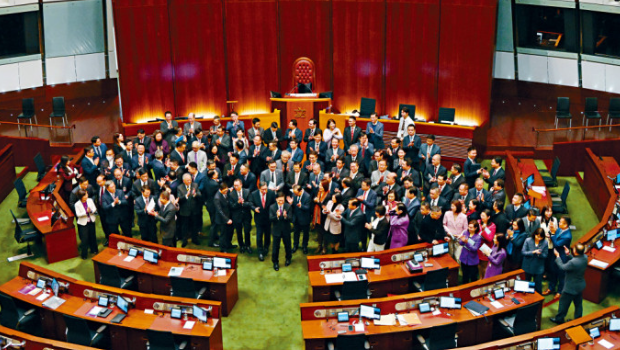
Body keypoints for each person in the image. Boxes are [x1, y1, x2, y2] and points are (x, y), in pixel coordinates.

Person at [549, 243, 587, 324]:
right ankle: (578, 320)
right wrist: (568, 254)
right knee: (578, 304)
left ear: (575, 251)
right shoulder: (585, 257)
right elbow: (576, 261)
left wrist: (558, 256)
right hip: (580, 286)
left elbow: (563, 267)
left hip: (570, 287)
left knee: (563, 304)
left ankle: (559, 319)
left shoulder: (573, 262)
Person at [545, 216, 573, 298]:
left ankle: (560, 291)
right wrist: (550, 234)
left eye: (560, 222)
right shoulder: (560, 229)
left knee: (561, 275)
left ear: (566, 225)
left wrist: (552, 235)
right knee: (553, 271)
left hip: (562, 257)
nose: (558, 223)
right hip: (555, 255)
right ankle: (551, 287)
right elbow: (555, 238)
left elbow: (557, 243)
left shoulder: (567, 236)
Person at [270, 192, 292, 271]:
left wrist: (285, 216)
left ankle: (288, 259)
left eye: (282, 200)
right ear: (276, 200)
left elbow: (291, 218)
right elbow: (270, 219)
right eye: (279, 201)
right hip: (276, 230)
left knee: (288, 246)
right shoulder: (272, 207)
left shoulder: (288, 206)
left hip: (286, 230)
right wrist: (277, 216)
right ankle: (275, 262)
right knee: (275, 247)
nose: (281, 202)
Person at [522, 228, 548, 294]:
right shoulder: (528, 240)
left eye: (541, 237)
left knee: (538, 286)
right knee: (526, 285)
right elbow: (523, 252)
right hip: (527, 266)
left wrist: (540, 254)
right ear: (534, 234)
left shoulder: (545, 242)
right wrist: (533, 252)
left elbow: (545, 255)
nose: (539, 238)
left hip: (538, 268)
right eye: (537, 236)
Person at [229, 179, 253, 254]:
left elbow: (250, 203)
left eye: (237, 185)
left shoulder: (247, 192)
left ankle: (247, 245)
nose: (235, 187)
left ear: (241, 185)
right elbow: (231, 206)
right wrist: (238, 203)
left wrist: (243, 203)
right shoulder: (231, 194)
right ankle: (241, 246)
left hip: (246, 215)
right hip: (237, 216)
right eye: (234, 185)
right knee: (239, 232)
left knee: (247, 231)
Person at [74, 190, 98, 259]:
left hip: (91, 221)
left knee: (92, 236)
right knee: (84, 239)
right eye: (85, 195)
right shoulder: (77, 204)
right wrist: (85, 212)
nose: (86, 196)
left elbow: (94, 209)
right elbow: (78, 214)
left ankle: (94, 250)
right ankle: (84, 254)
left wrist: (91, 211)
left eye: (87, 194)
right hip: (83, 223)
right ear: (81, 197)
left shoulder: (90, 200)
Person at [289, 185, 312, 254]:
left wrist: (301, 206)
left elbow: (308, 208)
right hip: (296, 218)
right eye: (294, 193)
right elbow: (294, 206)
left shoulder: (307, 196)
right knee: (296, 233)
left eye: (296, 193)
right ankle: (295, 245)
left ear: (301, 191)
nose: (295, 194)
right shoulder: (294, 194)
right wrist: (291, 203)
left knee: (305, 234)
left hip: (304, 218)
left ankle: (304, 246)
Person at [214, 182, 234, 253]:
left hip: (229, 216)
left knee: (230, 232)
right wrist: (227, 219)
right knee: (223, 234)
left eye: (226, 190)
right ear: (220, 189)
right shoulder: (217, 197)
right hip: (222, 219)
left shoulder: (227, 192)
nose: (226, 192)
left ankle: (228, 244)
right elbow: (219, 211)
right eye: (224, 191)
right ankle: (223, 248)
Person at [478, 209, 496, 277]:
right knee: (479, 265)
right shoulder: (478, 222)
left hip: (486, 247)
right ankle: (480, 278)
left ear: (488, 217)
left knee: (485, 266)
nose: (481, 217)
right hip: (478, 247)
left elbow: (490, 238)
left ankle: (485, 279)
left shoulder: (492, 226)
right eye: (481, 215)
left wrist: (484, 230)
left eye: (483, 216)